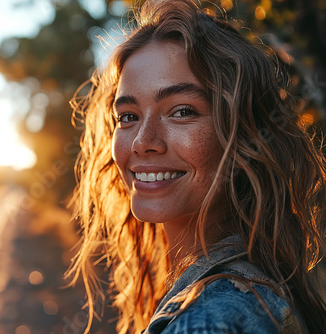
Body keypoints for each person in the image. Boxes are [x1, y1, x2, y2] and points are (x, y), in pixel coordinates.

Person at [66, 0, 326, 333]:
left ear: (245, 139)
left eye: (182, 111)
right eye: (128, 116)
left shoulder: (209, 320)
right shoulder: (253, 290)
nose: (142, 141)